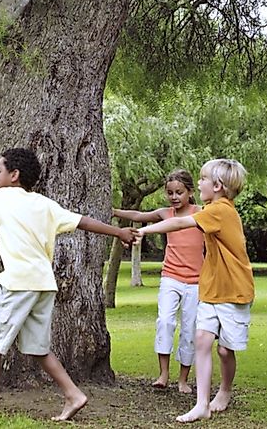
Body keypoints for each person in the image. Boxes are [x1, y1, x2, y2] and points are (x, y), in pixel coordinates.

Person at [0, 147, 139, 421]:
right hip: (43, 284)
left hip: (18, 282)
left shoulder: (1, 196)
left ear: (13, 176)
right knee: (36, 348)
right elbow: (83, 222)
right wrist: (118, 231)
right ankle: (73, 394)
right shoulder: (45, 204)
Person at [136, 159, 254, 423]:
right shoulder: (213, 208)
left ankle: (223, 391)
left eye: (202, 179)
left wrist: (144, 230)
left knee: (225, 350)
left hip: (234, 290)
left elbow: (179, 224)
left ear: (218, 186)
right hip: (211, 288)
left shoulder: (220, 210)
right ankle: (202, 404)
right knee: (201, 340)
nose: (198, 183)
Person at [113, 168, 204, 392]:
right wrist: (114, 211)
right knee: (165, 321)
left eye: (179, 192)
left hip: (196, 281)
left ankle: (183, 379)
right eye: (170, 193)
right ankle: (163, 374)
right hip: (171, 277)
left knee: (189, 329)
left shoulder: (201, 213)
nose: (174, 197)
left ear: (190, 192)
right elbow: (138, 217)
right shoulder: (165, 214)